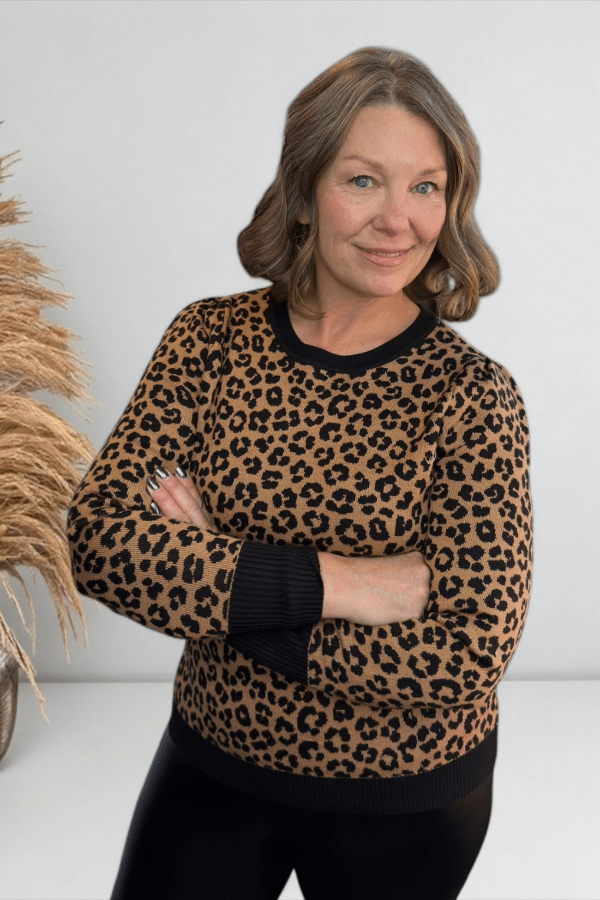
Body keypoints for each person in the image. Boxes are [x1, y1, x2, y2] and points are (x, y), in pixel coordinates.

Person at [68, 47, 533, 900]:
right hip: (218, 754)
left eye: (426, 186)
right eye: (363, 181)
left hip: (408, 795)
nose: (398, 219)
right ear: (305, 188)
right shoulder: (209, 341)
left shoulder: (474, 397)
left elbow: (468, 652)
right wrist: (349, 584)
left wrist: (224, 575)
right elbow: (103, 545)